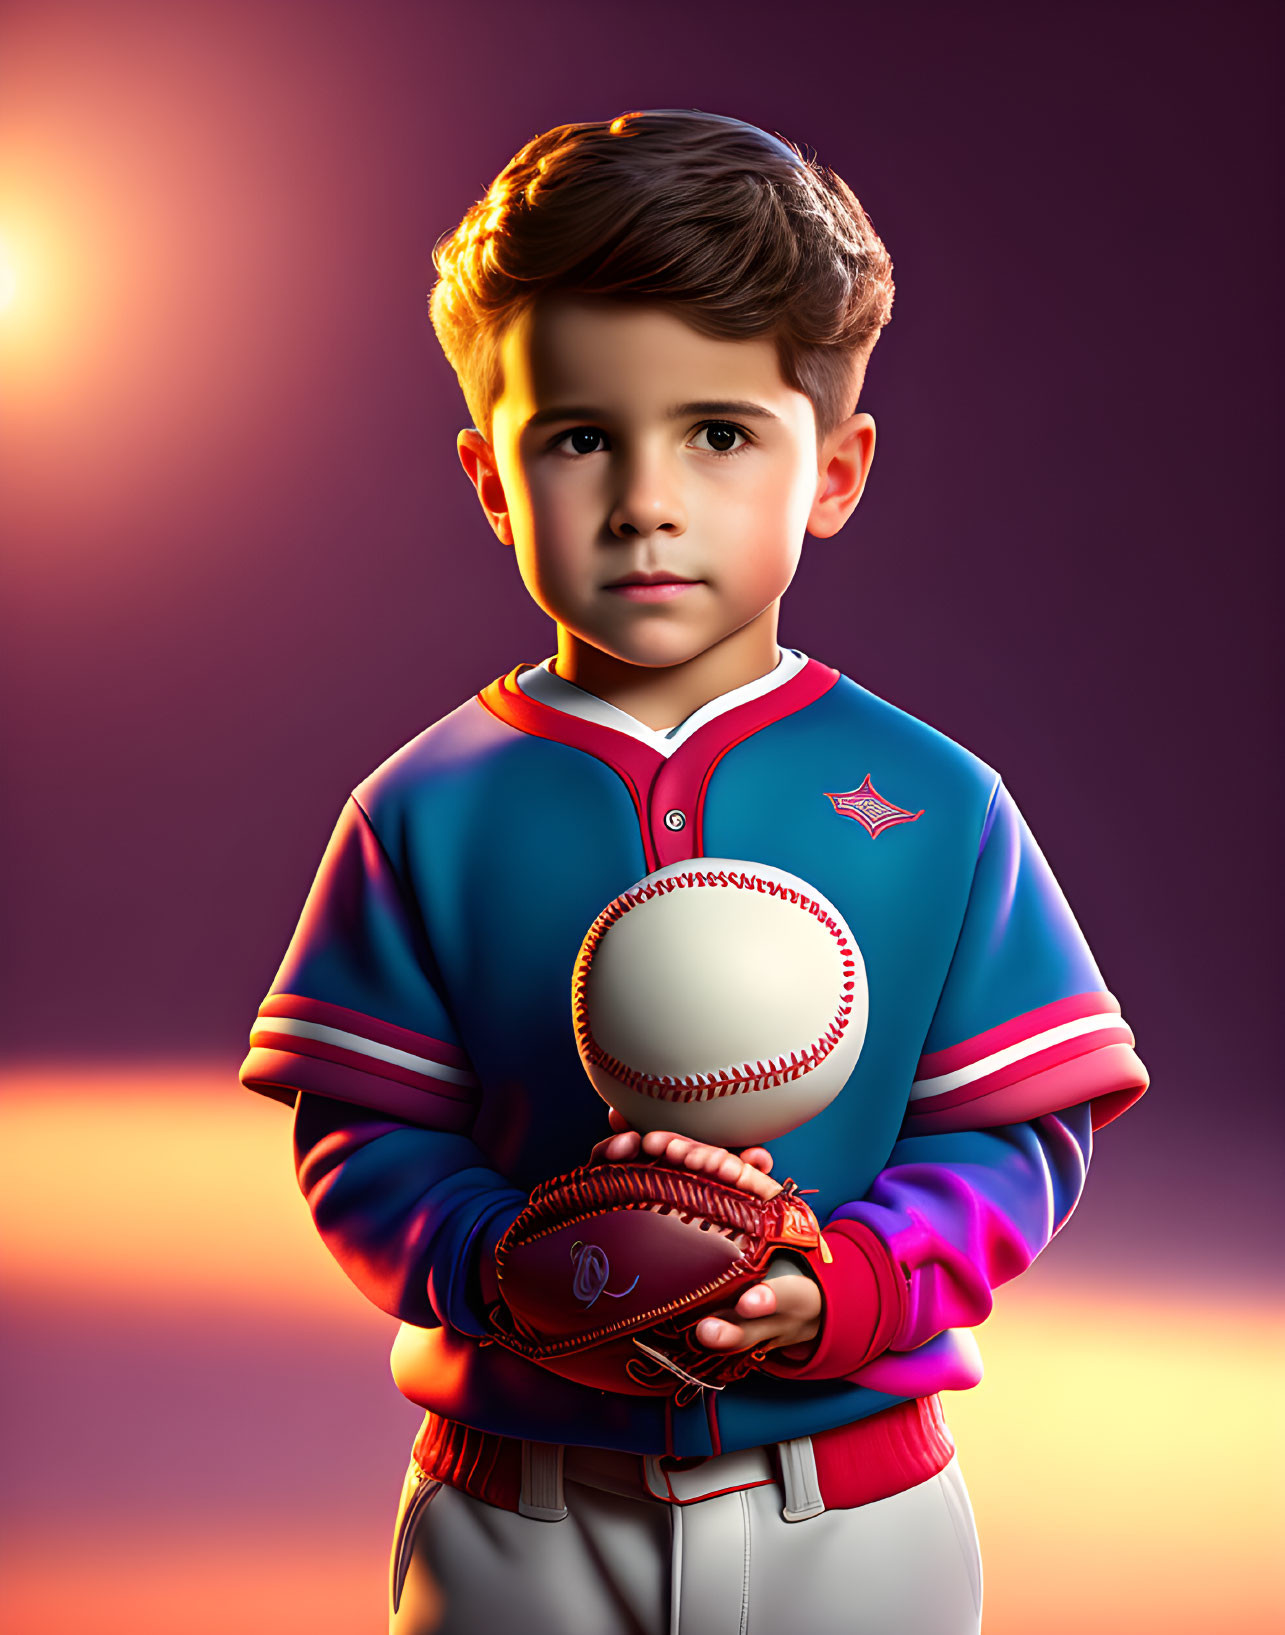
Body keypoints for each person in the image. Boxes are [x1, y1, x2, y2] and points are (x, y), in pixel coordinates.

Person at [240, 109, 1148, 1635]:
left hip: (845, 1493)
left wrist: (851, 1283)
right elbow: (359, 1137)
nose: (645, 498)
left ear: (835, 469)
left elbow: (1024, 1136)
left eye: (719, 434)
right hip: (517, 1497)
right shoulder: (423, 808)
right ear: (488, 477)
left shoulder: (937, 799)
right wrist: (510, 1261)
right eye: (579, 436)